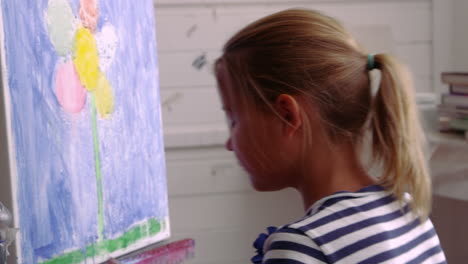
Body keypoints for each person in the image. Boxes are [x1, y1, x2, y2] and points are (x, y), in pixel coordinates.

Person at [214, 9, 446, 264]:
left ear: (287, 115)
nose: (229, 144)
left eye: (234, 119)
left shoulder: (306, 246)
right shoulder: (407, 209)